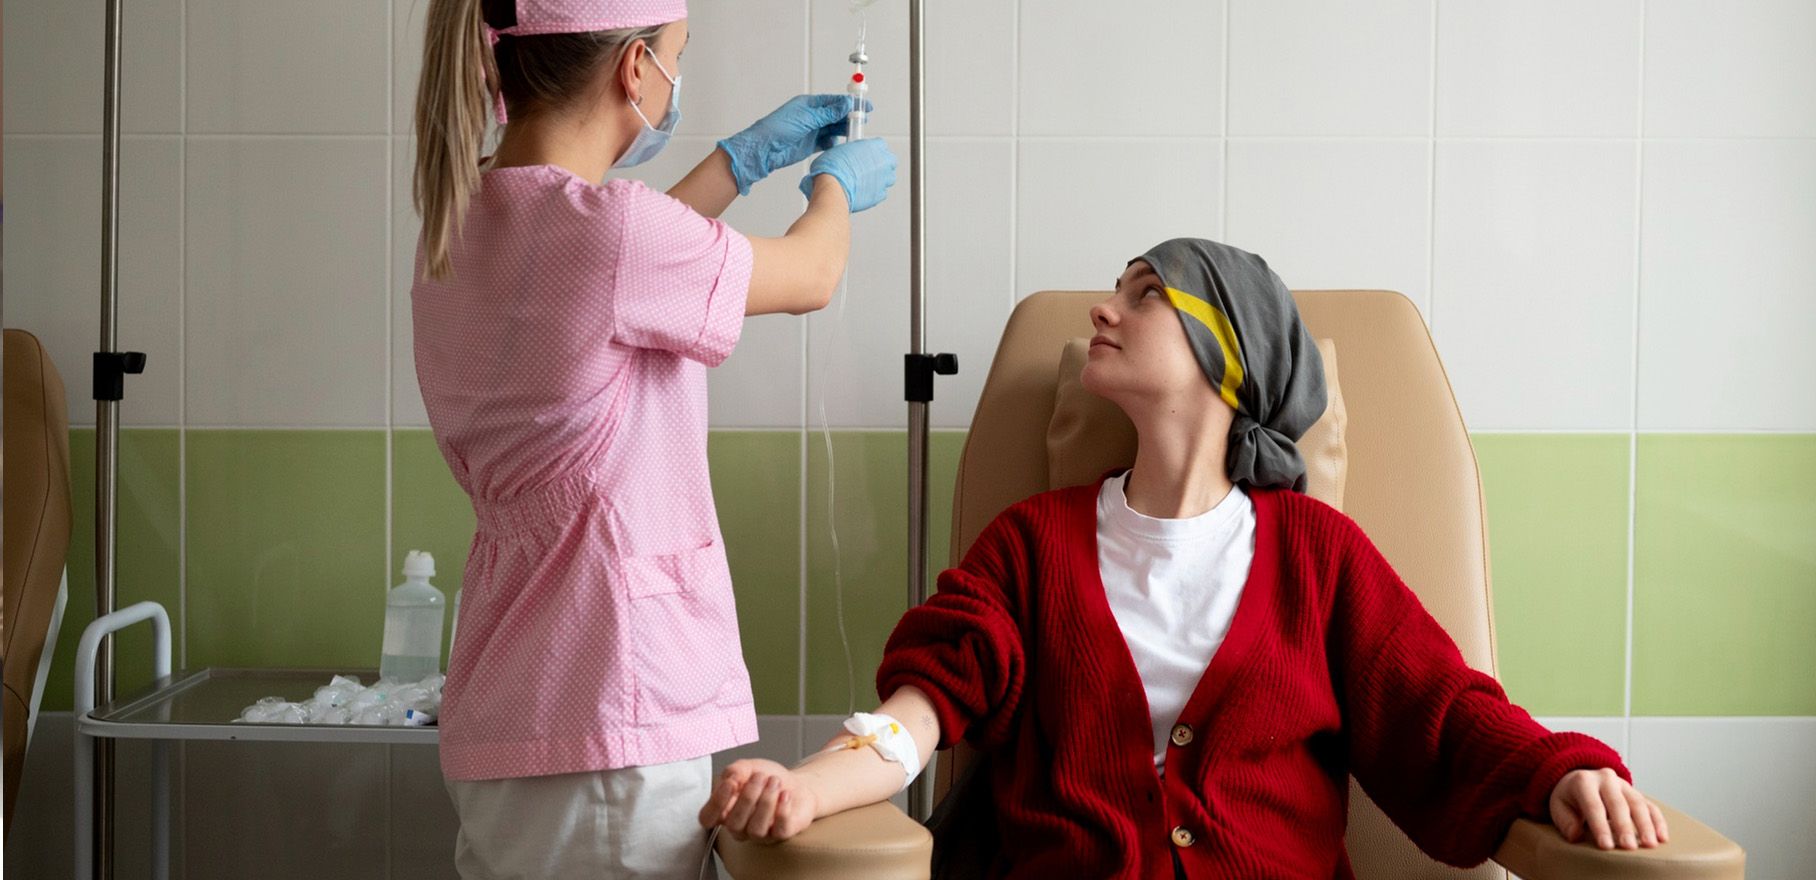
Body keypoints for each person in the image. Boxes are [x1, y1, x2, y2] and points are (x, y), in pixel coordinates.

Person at [698, 239, 1670, 879]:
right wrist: (810, 783)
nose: (1103, 311)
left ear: (1229, 354)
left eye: (1145, 295)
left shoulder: (1318, 554)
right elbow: (917, 716)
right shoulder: (1031, 545)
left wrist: (1558, 774)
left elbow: (1442, 712)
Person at [408, 0, 897, 876]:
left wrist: (736, 163)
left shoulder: (464, 220)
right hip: (607, 715)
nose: (676, 77)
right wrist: (835, 184)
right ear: (635, 68)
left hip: (507, 709)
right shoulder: (613, 236)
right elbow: (811, 273)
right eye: (677, 55)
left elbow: (612, 275)